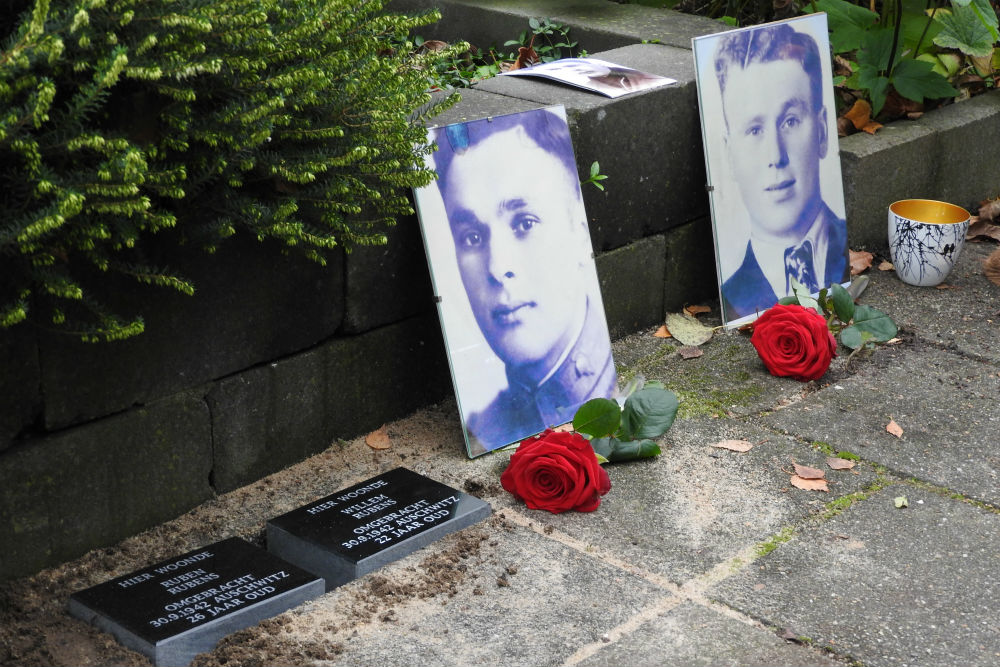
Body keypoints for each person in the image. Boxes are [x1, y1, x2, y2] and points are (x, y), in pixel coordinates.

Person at [431, 109, 616, 453]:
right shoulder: (485, 428)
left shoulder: (611, 390)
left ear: (577, 227)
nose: (498, 267)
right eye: (471, 237)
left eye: (525, 223)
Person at [713, 23, 849, 321]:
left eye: (790, 121)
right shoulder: (731, 298)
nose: (776, 156)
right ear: (730, 154)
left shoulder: (846, 260)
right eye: (754, 129)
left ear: (823, 132)